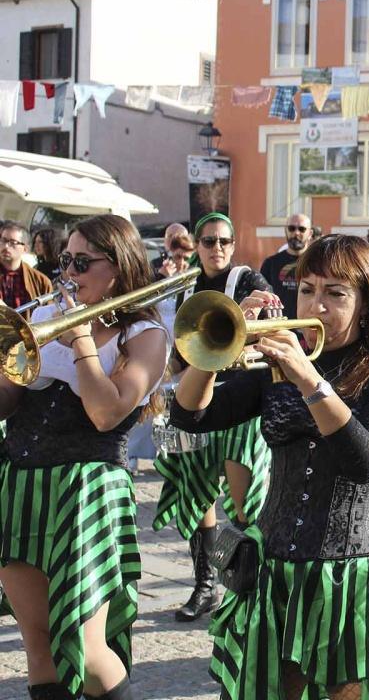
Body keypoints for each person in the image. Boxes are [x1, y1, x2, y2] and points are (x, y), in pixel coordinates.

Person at [169, 235, 369, 699]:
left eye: (336, 293)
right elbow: (190, 414)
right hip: (275, 572)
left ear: (367, 303)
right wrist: (215, 352)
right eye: (308, 289)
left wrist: (308, 379)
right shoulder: (276, 365)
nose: (318, 304)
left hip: (351, 575)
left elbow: (366, 461)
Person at [0, 214, 170, 700]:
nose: (67, 272)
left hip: (87, 491)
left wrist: (77, 337)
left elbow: (105, 413)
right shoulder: (40, 316)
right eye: (65, 260)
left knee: (82, 641)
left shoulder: (144, 334)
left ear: (117, 267)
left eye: (82, 262)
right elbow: (6, 402)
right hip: (23, 481)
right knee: (37, 639)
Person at [151, 213, 271, 623]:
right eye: (207, 241)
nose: (215, 247)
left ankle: (244, 589)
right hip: (198, 399)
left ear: (233, 245)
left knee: (242, 504)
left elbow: (271, 330)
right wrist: (157, 382)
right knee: (198, 492)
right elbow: (180, 348)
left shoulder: (251, 280)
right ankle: (204, 586)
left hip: (238, 402)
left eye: (223, 240)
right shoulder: (187, 286)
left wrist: (248, 315)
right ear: (196, 245)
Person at [259, 213, 313, 320]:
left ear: (310, 233)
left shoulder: (318, 263)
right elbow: (262, 299)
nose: (296, 233)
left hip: (308, 329)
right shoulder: (270, 263)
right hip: (279, 328)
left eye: (302, 229)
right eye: (291, 228)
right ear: (286, 231)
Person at [0, 222, 52, 313]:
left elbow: (47, 315)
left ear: (25, 248)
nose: (6, 246)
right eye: (3, 240)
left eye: (13, 242)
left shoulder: (40, 281)